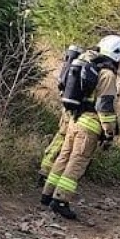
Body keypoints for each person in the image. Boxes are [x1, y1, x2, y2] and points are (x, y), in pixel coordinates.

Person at [40, 34, 120, 220]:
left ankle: (47, 193)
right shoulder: (107, 74)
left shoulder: (91, 66)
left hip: (74, 120)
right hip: (89, 126)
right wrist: (109, 132)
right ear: (116, 54)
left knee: (63, 157)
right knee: (77, 162)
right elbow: (104, 106)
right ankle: (61, 200)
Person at [38, 44, 83, 186]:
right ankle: (47, 172)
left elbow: (61, 86)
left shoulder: (67, 68)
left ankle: (45, 169)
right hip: (72, 112)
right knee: (63, 141)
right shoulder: (78, 68)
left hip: (65, 108)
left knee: (60, 137)